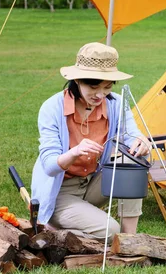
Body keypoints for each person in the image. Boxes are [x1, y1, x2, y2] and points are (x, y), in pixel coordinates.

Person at [31, 42, 150, 240]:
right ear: (77, 80)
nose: (100, 94)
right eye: (93, 86)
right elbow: (50, 167)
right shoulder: (52, 108)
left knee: (132, 160)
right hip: (60, 192)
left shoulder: (116, 103)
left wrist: (141, 142)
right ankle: (56, 231)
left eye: (107, 87)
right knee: (111, 231)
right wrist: (75, 152)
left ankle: (130, 239)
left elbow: (132, 135)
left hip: (94, 183)